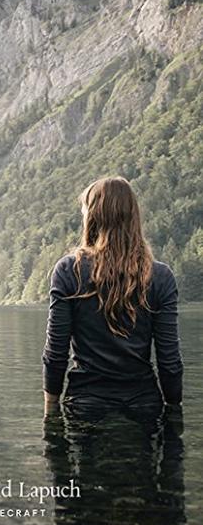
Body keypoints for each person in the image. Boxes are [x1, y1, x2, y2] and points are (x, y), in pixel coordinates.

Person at [42, 176, 183, 418]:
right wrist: (173, 413)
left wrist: (50, 410)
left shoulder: (68, 271)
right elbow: (169, 361)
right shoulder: (160, 276)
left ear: (94, 217)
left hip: (86, 405)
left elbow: (56, 354)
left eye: (85, 210)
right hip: (144, 406)